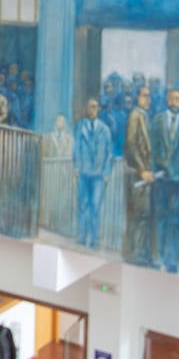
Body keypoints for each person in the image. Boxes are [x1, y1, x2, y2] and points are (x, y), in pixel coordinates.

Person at [149, 88, 179, 273]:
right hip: (161, 178)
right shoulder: (157, 120)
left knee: (176, 220)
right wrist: (156, 168)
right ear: (167, 100)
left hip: (178, 179)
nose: (175, 102)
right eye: (173, 98)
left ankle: (172, 260)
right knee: (159, 218)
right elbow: (152, 147)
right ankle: (158, 258)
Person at [72, 98, 114, 250]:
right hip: (83, 173)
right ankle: (82, 237)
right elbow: (76, 148)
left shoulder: (105, 129)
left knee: (95, 206)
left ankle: (94, 239)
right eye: (90, 107)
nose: (92, 109)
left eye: (95, 107)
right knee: (83, 205)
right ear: (86, 108)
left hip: (98, 175)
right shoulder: (80, 127)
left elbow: (110, 153)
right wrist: (76, 167)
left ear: (98, 109)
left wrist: (106, 172)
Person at [122, 86, 155, 265]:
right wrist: (142, 169)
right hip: (136, 173)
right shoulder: (135, 115)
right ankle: (132, 254)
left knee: (142, 215)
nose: (148, 99)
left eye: (149, 96)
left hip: (144, 173)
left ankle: (138, 253)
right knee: (136, 215)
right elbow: (131, 144)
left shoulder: (144, 115)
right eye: (144, 96)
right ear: (137, 97)